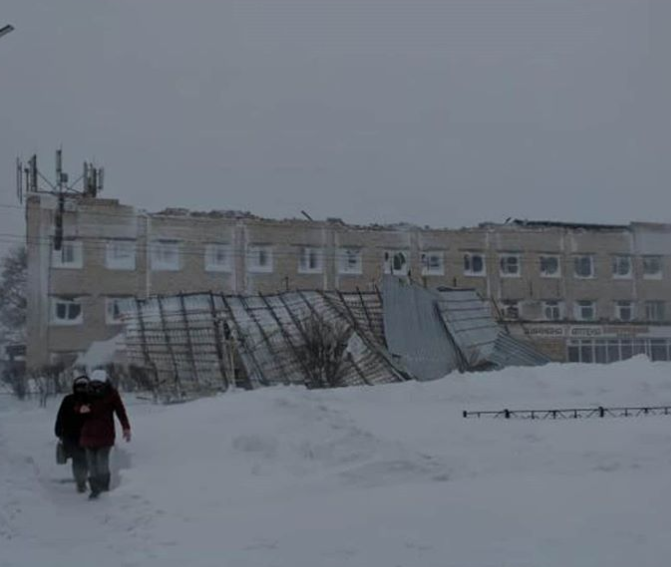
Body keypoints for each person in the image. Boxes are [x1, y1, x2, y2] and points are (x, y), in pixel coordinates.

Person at [78, 369, 131, 499]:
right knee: (93, 464)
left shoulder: (111, 395)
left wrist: (126, 427)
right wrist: (80, 409)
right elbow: (77, 406)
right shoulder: (86, 393)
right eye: (94, 384)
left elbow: (120, 411)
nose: (96, 387)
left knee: (101, 462)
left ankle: (103, 488)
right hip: (90, 434)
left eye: (99, 384)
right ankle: (96, 489)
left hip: (103, 435)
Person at [54, 375, 91, 493]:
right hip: (85, 436)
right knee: (83, 459)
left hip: (71, 437)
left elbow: (61, 417)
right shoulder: (92, 400)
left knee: (79, 459)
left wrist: (58, 432)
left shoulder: (68, 399)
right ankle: (82, 481)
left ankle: (81, 482)